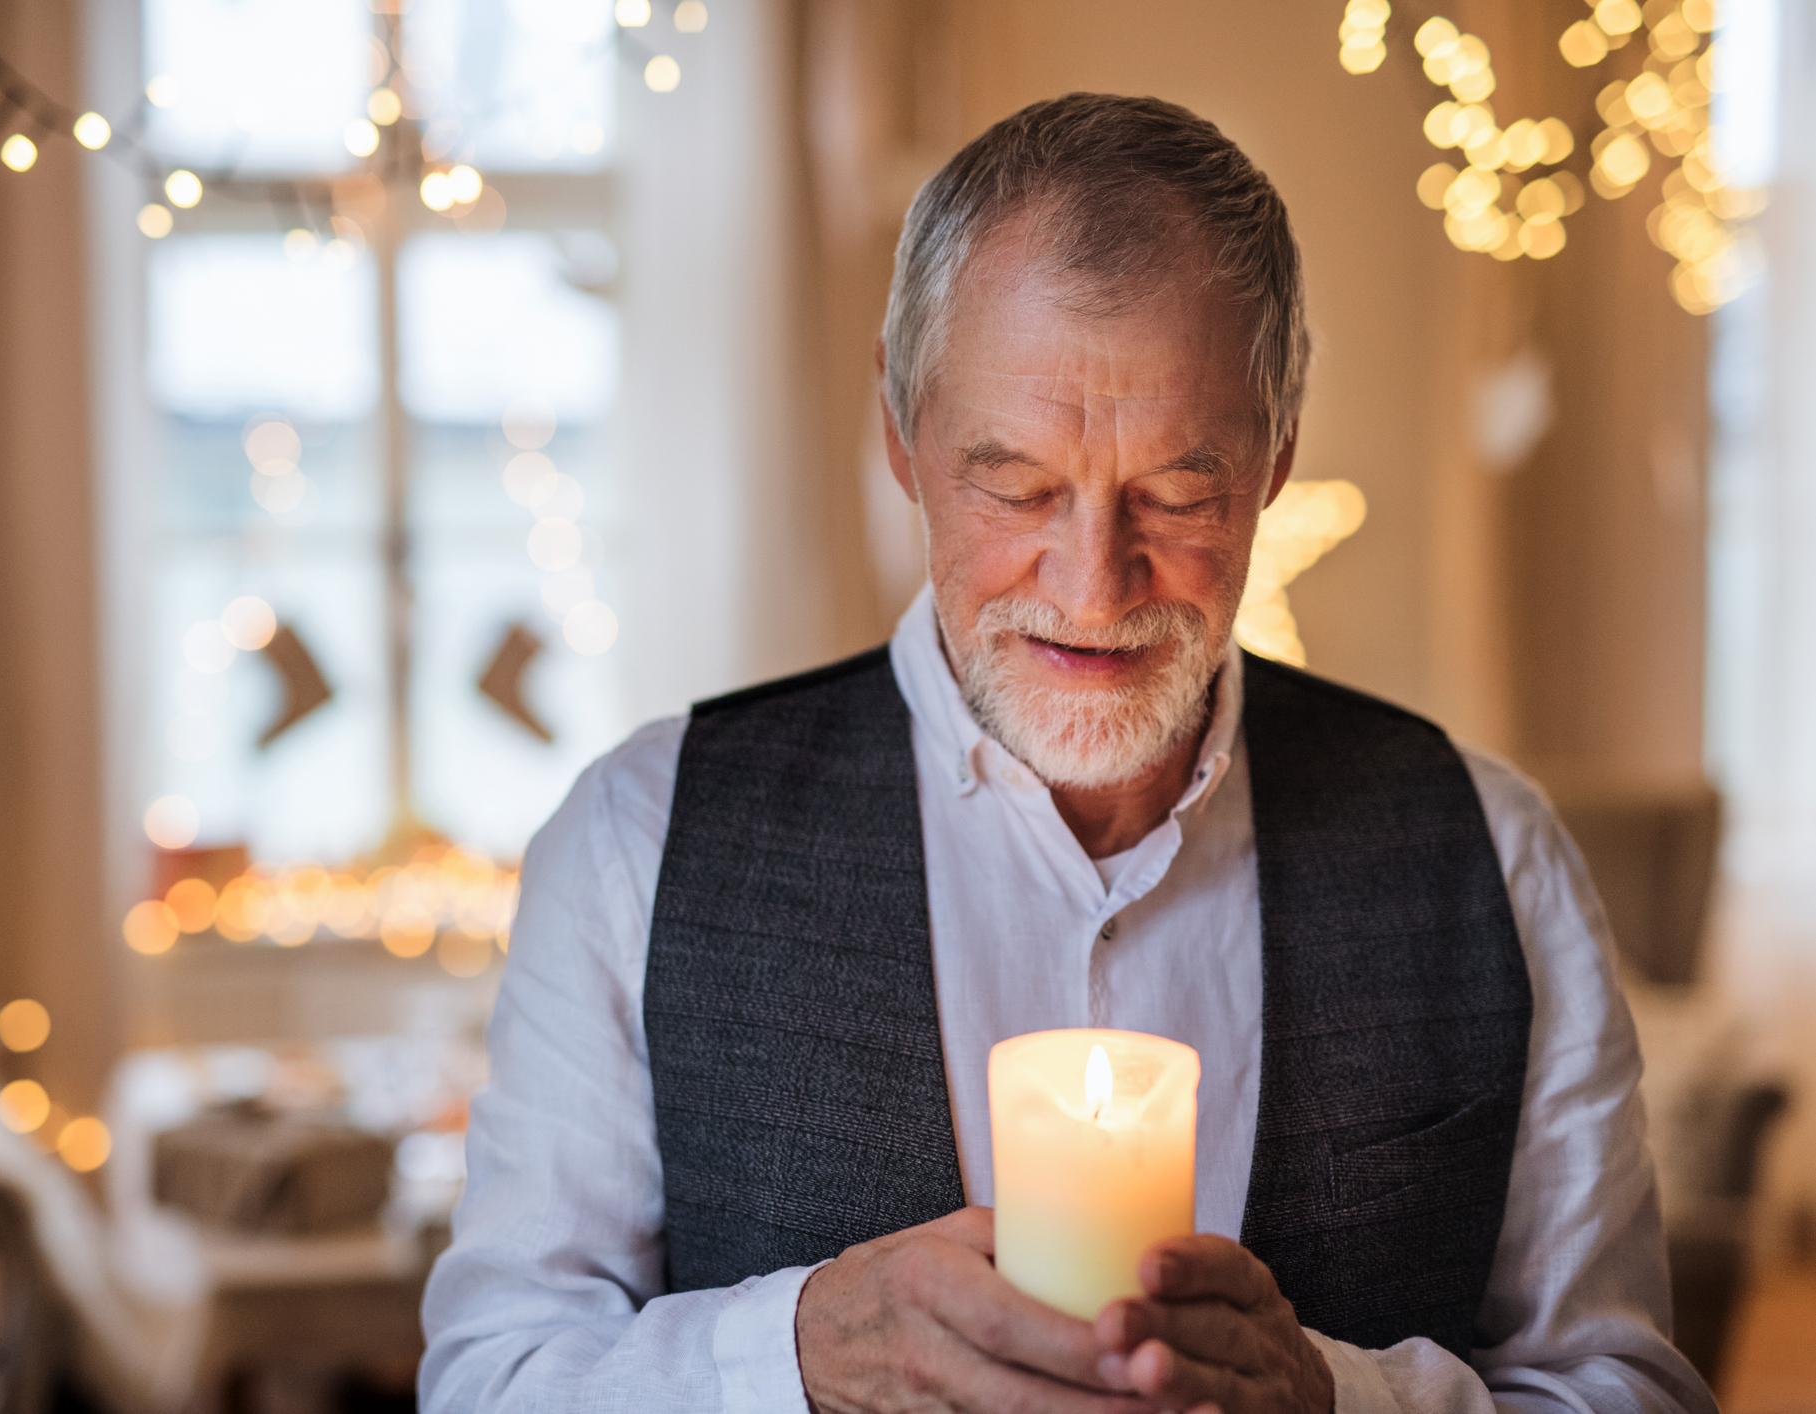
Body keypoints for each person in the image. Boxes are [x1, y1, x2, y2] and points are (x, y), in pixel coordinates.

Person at [418, 93, 1714, 1414]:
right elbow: (490, 1381)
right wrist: (796, 1354)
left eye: (1178, 492)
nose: (1093, 588)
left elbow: (1630, 1390)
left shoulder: (1493, 857)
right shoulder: (636, 839)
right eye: (1017, 486)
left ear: (1278, 449)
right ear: (900, 428)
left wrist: (1338, 1398)